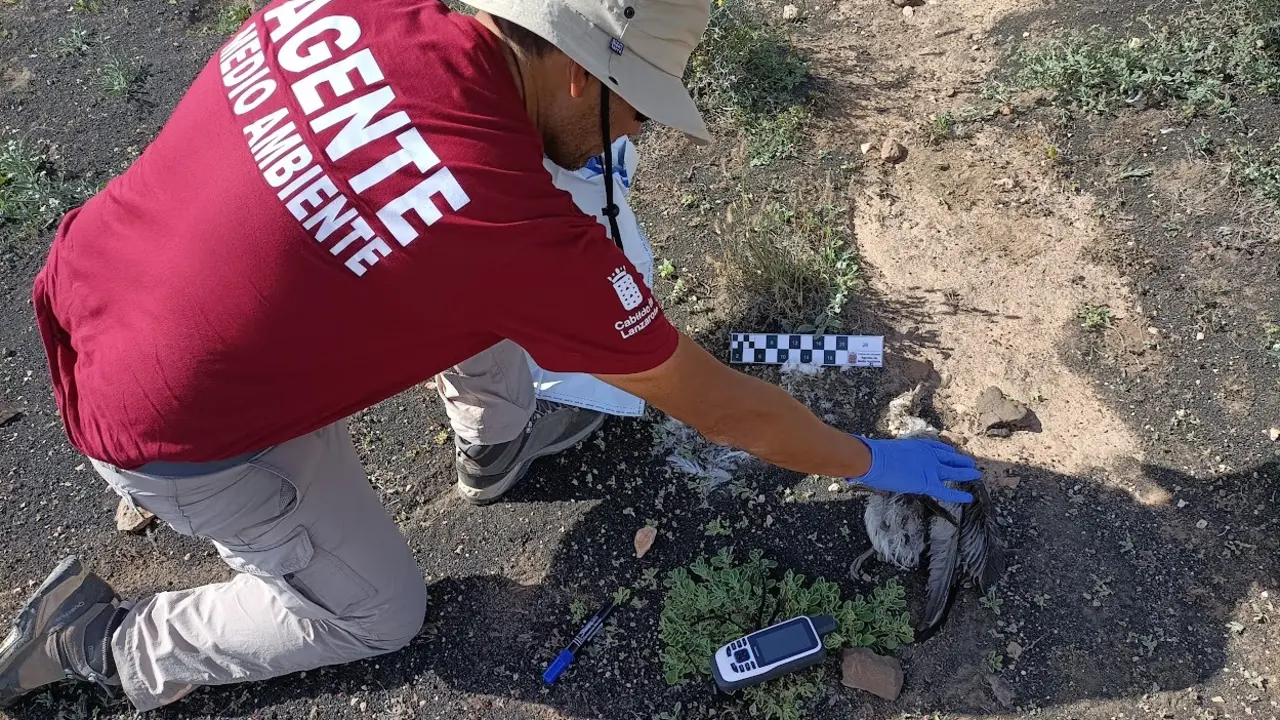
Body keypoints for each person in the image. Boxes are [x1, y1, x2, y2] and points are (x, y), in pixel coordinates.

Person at [0, 0, 982, 711]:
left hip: (99, 282)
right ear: (570, 70)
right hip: (175, 424)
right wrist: (869, 459)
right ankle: (102, 643)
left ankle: (496, 448)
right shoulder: (511, 230)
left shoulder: (356, 12)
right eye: (633, 104)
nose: (637, 129)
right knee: (377, 615)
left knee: (464, 276)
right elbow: (725, 411)